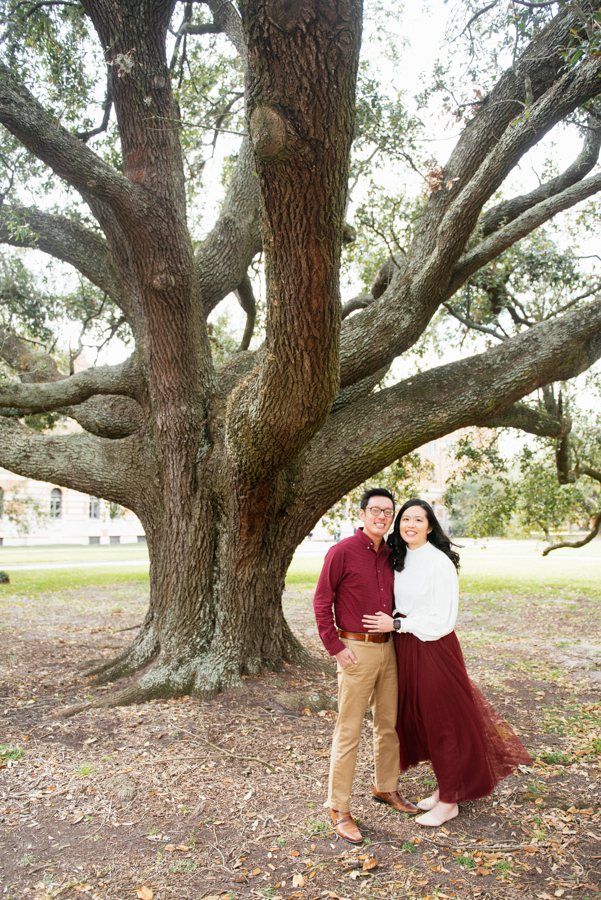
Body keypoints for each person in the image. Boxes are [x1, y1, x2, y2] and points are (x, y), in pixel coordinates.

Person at [363, 498, 531, 828]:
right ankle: (445, 789)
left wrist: (397, 624)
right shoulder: (401, 558)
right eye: (405, 519)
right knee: (424, 720)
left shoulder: (439, 563)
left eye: (418, 519)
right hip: (407, 648)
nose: (410, 524)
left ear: (430, 526)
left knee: (443, 721)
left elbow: (443, 619)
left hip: (433, 648)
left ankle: (450, 801)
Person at [313, 488, 418, 844]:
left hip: (389, 649)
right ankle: (339, 807)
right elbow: (321, 600)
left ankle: (385, 787)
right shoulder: (341, 551)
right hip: (355, 650)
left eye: (388, 512)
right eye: (375, 510)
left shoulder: (392, 554)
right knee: (350, 729)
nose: (382, 516)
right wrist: (335, 648)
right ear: (361, 513)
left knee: (388, 725)